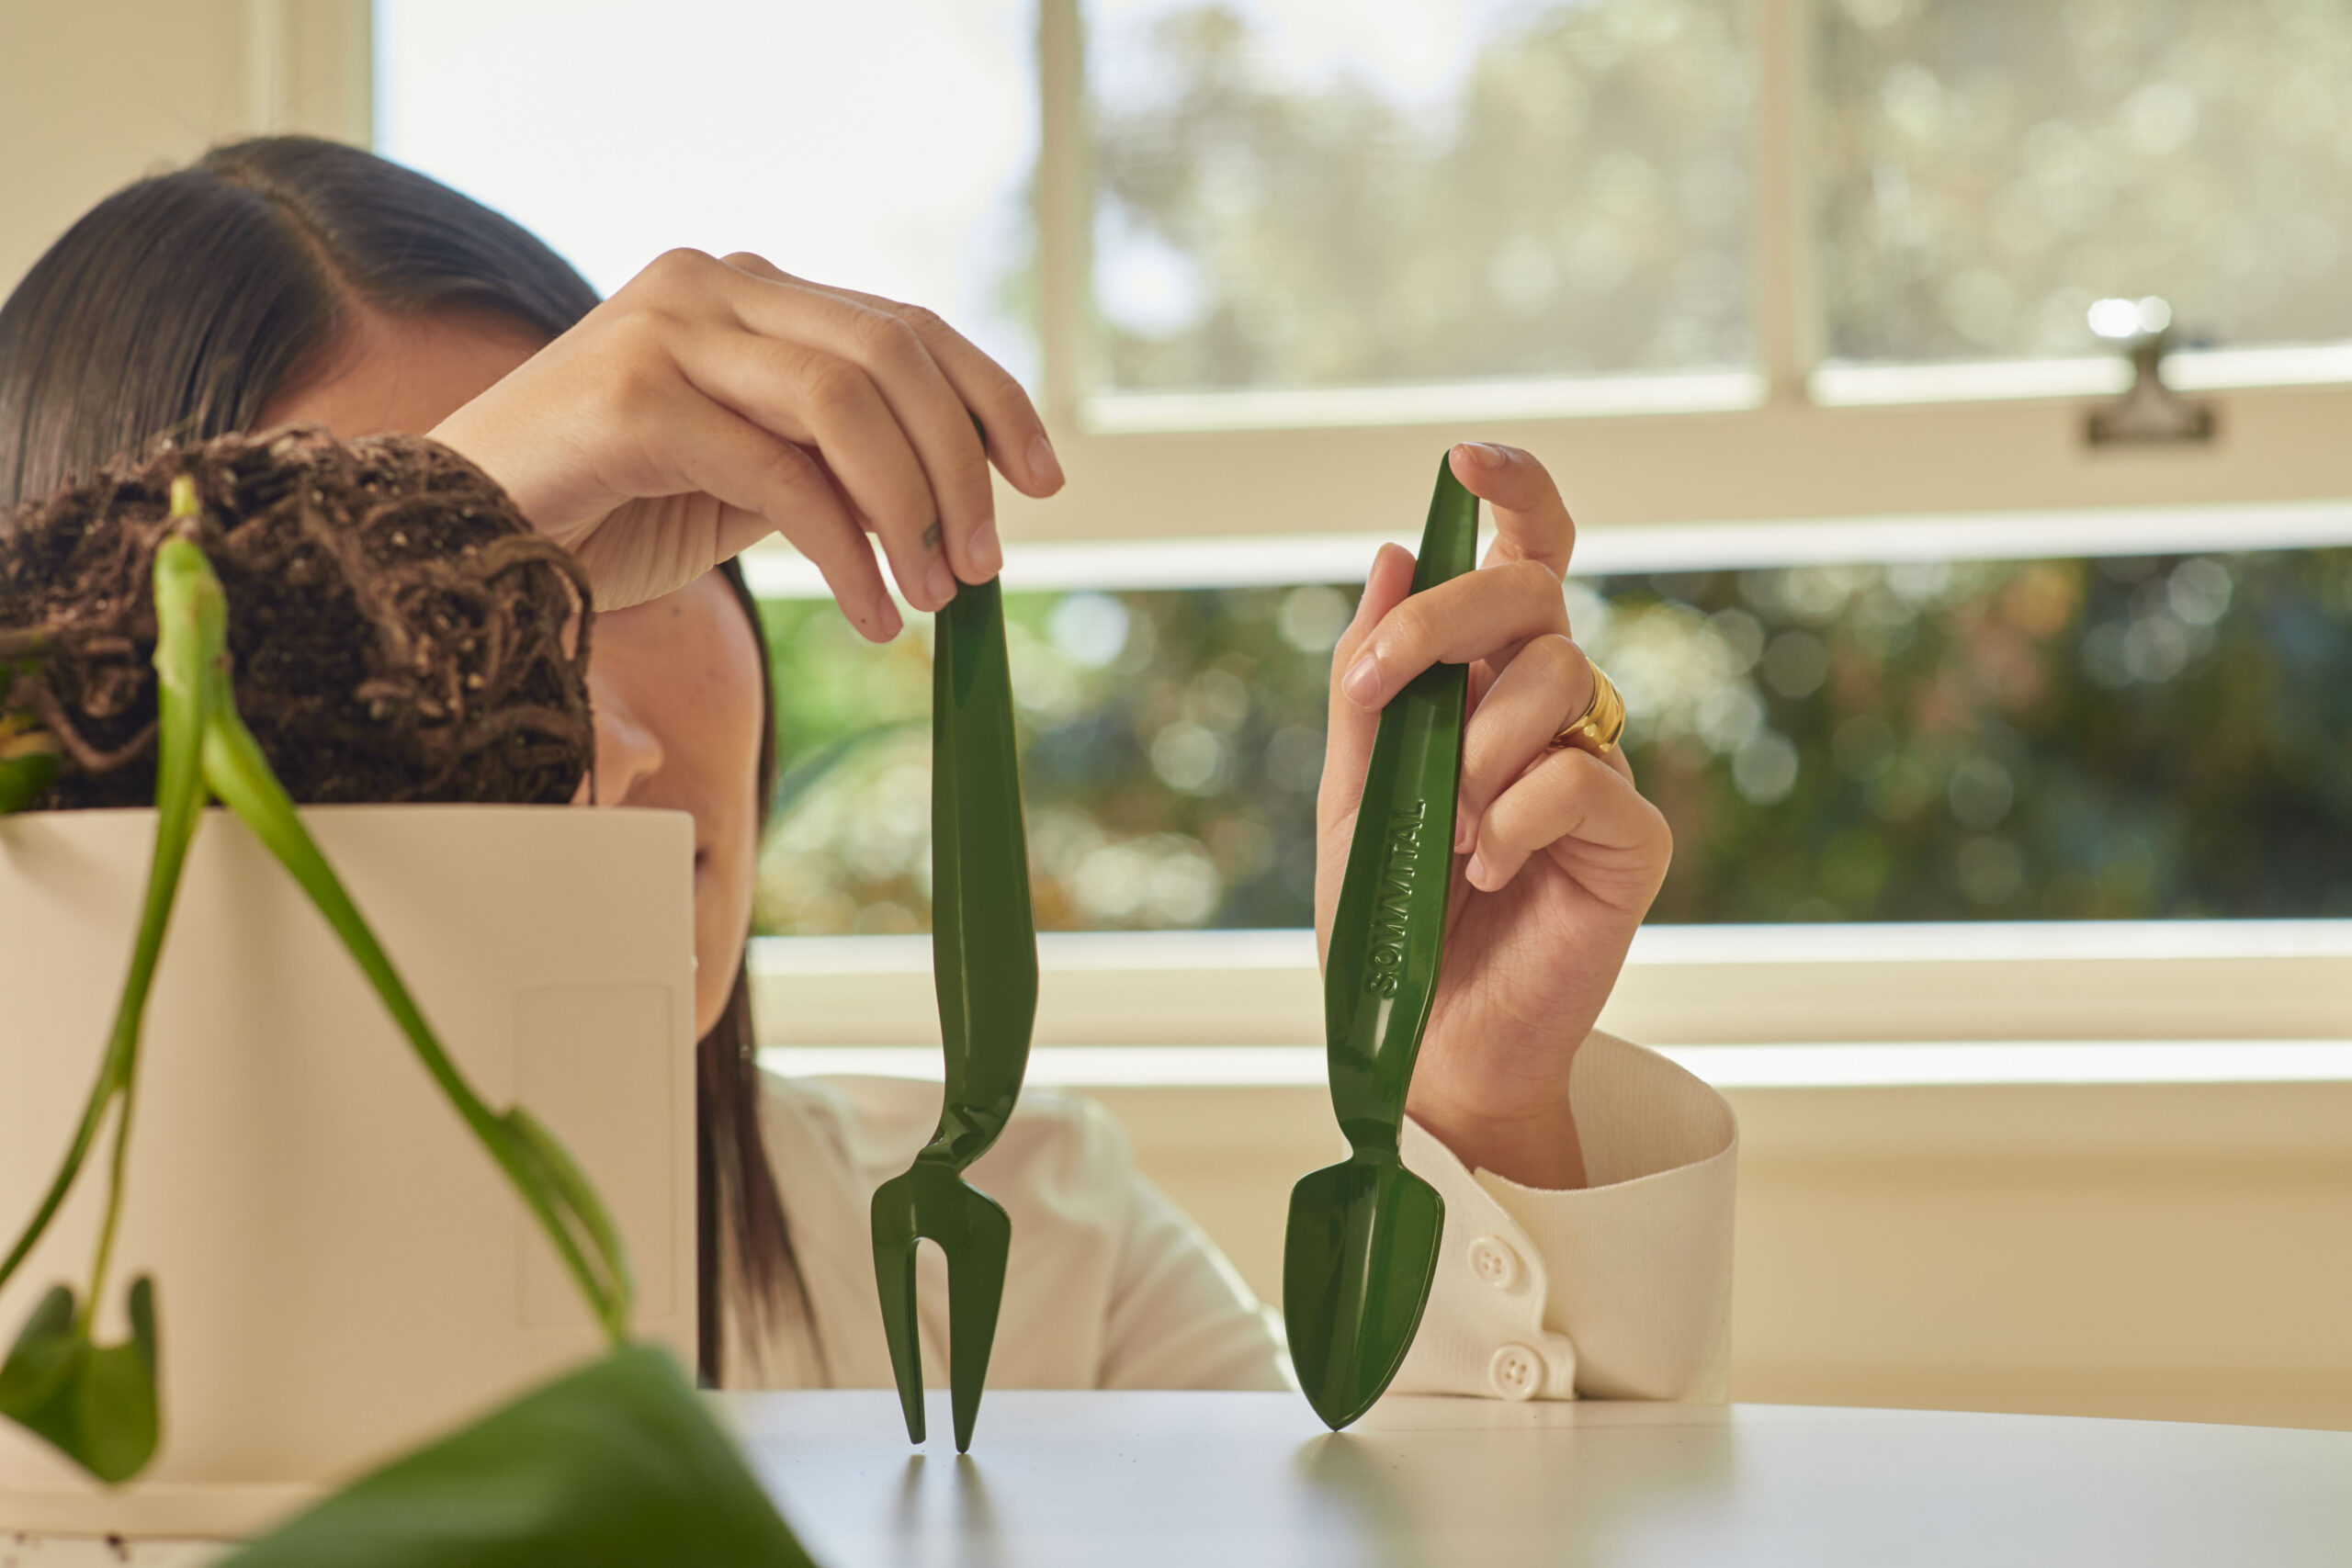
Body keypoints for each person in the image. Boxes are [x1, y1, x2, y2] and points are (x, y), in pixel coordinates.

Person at [0, 138, 1736, 1401]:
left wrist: (1462, 1098)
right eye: (432, 617)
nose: (592, 740)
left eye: (619, 584)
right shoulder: (53, 1321)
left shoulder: (1029, 1254)